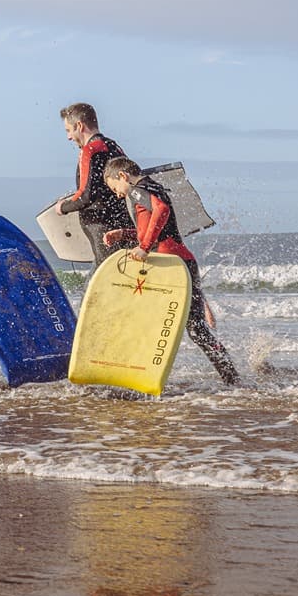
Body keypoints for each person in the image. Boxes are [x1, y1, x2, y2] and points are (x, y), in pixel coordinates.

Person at [101, 156, 241, 386]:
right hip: (181, 264)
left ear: (123, 176)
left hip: (171, 267)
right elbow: (157, 227)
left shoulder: (137, 189)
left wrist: (144, 248)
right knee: (197, 331)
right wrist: (124, 234)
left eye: (115, 187)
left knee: (165, 325)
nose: (117, 194)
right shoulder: (152, 187)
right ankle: (232, 379)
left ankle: (137, 375)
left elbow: (162, 211)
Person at [56, 102, 136, 269]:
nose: (69, 137)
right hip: (123, 220)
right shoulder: (114, 146)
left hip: (101, 225)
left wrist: (63, 207)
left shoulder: (90, 150)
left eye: (69, 130)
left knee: (106, 274)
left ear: (79, 125)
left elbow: (86, 196)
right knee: (127, 271)